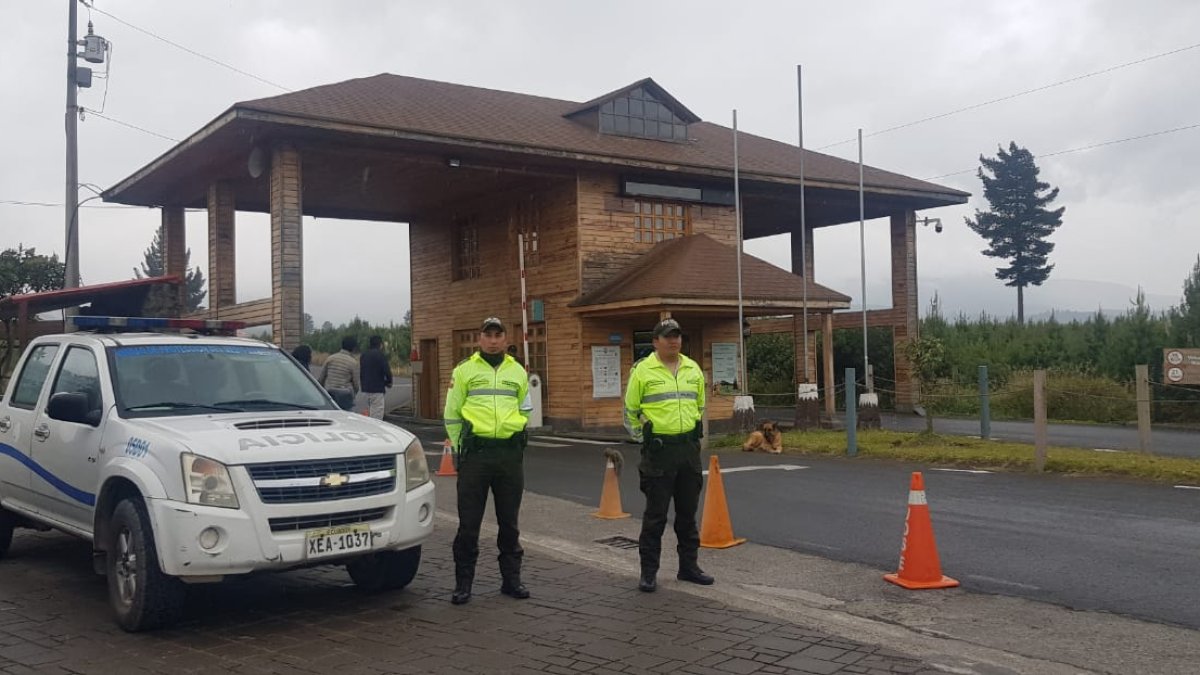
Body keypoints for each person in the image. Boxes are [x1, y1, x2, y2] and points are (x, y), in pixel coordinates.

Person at [444, 317, 532, 605]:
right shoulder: (464, 371)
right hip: (476, 455)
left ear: (505, 338)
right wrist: (461, 448)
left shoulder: (517, 371)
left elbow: (525, 408)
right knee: (469, 523)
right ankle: (463, 584)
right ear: (479, 339)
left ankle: (511, 580)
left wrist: (515, 435)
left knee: (510, 522)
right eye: (488, 335)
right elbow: (452, 414)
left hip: (508, 455)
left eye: (498, 335)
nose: (493, 340)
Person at [624, 317, 713, 592]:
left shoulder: (693, 368)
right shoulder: (642, 371)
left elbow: (700, 405)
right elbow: (629, 412)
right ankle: (648, 573)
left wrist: (693, 437)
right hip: (659, 452)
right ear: (655, 342)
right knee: (655, 516)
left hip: (687, 451)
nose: (674, 340)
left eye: (677, 336)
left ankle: (689, 567)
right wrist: (646, 439)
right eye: (667, 336)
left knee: (687, 514)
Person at [360, 335, 393, 419]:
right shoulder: (380, 355)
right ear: (380, 344)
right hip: (377, 390)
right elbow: (386, 370)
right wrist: (389, 382)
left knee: (366, 415)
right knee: (376, 416)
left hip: (365, 389)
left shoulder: (363, 355)